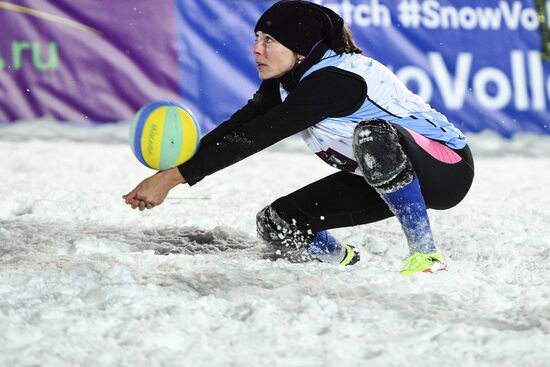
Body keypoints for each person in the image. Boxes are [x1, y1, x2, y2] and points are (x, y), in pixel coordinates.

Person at [123, 0, 474, 275]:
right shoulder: (289, 78)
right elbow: (241, 125)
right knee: (278, 224)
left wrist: (171, 179)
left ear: (302, 49)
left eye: (269, 40)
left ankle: (426, 255)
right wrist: (180, 162)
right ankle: (343, 262)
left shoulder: (335, 81)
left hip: (445, 169)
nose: (256, 49)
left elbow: (258, 136)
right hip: (381, 176)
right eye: (257, 38)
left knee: (372, 136)